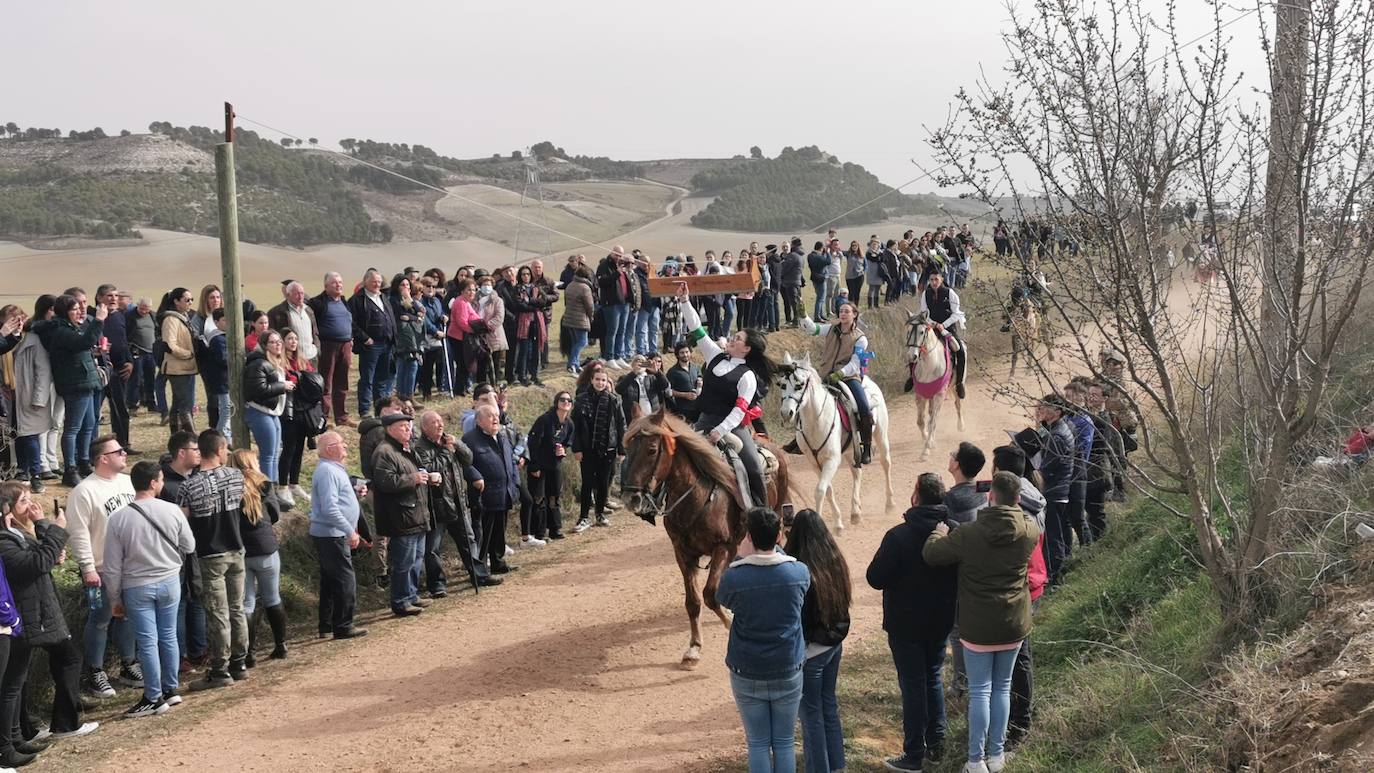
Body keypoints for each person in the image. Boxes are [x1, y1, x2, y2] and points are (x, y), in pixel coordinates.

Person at [923, 472, 1040, 773]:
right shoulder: (1029, 531)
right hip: (1014, 622)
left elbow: (932, 554)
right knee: (1002, 688)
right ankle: (997, 756)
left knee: (980, 691)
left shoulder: (968, 534)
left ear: (990, 497)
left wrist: (938, 532)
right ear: (1017, 499)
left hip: (977, 624)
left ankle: (975, 760)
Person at [867, 472, 960, 771]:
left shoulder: (898, 536)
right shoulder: (955, 530)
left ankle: (913, 755)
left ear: (916, 496)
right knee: (932, 677)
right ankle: (938, 744)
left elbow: (875, 578)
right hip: (941, 620)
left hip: (905, 624)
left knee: (912, 685)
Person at [0, 485, 98, 752]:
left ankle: (23, 734)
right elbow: (37, 563)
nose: (31, 506)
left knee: (18, 678)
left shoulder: (16, 533)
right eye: (24, 502)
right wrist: (53, 528)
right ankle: (50, 728)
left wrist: (44, 530)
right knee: (57, 662)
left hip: (36, 612)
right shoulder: (5, 539)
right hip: (27, 615)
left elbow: (41, 557)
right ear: (7, 509)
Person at [717, 506, 811, 773]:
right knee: (784, 742)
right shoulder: (799, 573)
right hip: (788, 667)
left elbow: (722, 599)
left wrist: (741, 556)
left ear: (747, 536)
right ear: (780, 535)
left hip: (747, 670)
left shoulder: (735, 577)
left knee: (757, 742)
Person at [103, 461, 195, 719]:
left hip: (136, 586)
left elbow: (112, 565)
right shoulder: (172, 510)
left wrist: (114, 597)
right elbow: (188, 545)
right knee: (168, 636)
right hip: (169, 580)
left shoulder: (118, 518)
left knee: (147, 641)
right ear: (154, 482)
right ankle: (170, 688)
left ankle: (152, 696)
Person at [674, 283, 771, 507]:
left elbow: (740, 411)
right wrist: (685, 301)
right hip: (704, 421)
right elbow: (698, 329)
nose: (732, 339)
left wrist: (720, 431)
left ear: (746, 349)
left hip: (733, 427)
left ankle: (763, 513)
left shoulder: (747, 376)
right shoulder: (715, 355)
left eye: (737, 338)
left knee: (754, 467)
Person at [65, 435, 139, 698]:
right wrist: (87, 568)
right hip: (102, 567)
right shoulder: (84, 491)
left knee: (127, 614)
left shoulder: (128, 481)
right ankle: (95, 672)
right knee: (100, 619)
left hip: (130, 564)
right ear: (102, 458)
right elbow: (78, 533)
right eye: (118, 451)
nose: (124, 454)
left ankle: (129, 664)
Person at [177, 430, 249, 689]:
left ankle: (220, 668)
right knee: (237, 608)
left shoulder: (189, 486)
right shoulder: (236, 476)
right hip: (236, 549)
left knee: (218, 613)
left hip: (209, 553)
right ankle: (239, 662)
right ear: (219, 450)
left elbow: (182, 521)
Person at [989, 444, 1047, 751]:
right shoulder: (1032, 495)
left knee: (1019, 657)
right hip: (1031, 581)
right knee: (1019, 655)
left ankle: (1020, 723)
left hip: (1020, 584)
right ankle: (1018, 717)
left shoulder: (1018, 507)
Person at [784, 509, 851, 773]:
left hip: (812, 653)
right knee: (828, 707)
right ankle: (837, 766)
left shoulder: (798, 570)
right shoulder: (834, 559)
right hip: (834, 646)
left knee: (811, 716)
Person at [31, 293, 107, 486]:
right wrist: (98, 320)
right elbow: (83, 343)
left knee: (89, 424)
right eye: (74, 309)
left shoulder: (69, 327)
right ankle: (70, 469)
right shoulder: (60, 331)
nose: (79, 311)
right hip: (75, 384)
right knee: (73, 428)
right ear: (65, 312)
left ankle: (83, 463)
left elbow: (82, 345)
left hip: (85, 381)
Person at [414, 411, 495, 590]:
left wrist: (457, 444)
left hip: (458, 500)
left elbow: (468, 458)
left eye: (441, 421)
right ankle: (437, 585)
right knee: (433, 548)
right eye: (434, 422)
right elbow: (429, 469)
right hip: (436, 505)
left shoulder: (448, 441)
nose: (440, 425)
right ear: (424, 427)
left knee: (469, 540)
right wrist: (446, 451)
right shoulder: (420, 447)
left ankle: (479, 575)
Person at [227, 450, 286, 667]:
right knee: (272, 597)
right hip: (266, 547)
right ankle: (281, 645)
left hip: (241, 550)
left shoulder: (230, 487)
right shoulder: (265, 484)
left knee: (246, 604)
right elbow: (276, 514)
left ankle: (248, 653)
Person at [370, 413, 432, 617]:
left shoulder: (406, 449)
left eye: (409, 426)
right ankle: (400, 601)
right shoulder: (384, 452)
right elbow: (385, 482)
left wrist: (425, 477)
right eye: (403, 426)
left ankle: (411, 595)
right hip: (400, 516)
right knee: (403, 562)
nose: (409, 429)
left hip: (415, 513)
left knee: (416, 558)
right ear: (390, 429)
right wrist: (412, 478)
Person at [798, 301, 875, 464]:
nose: (843, 314)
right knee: (803, 399)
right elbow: (813, 329)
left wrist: (840, 373)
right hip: (825, 374)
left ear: (854, 314)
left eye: (847, 311)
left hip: (848, 377)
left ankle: (866, 446)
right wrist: (803, 315)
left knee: (862, 405)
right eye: (841, 311)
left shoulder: (861, 338)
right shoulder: (831, 329)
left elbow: (856, 363)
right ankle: (800, 439)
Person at [308, 432, 368, 639]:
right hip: (331, 534)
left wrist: (353, 493)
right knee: (344, 579)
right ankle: (343, 624)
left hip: (333, 532)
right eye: (341, 443)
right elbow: (329, 508)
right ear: (330, 449)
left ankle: (326, 625)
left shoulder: (332, 469)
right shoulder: (327, 471)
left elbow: (337, 501)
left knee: (330, 580)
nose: (345, 447)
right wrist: (350, 530)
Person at [159, 431, 207, 670]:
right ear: (181, 453)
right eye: (195, 449)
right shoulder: (166, 486)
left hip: (197, 551)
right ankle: (178, 657)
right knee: (178, 605)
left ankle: (199, 650)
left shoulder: (197, 477)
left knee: (197, 598)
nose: (199, 453)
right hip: (173, 556)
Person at [464, 404, 520, 574]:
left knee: (500, 531)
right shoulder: (470, 440)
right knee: (484, 534)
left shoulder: (502, 436)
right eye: (490, 416)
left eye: (496, 415)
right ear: (479, 421)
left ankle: (498, 561)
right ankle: (481, 568)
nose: (495, 419)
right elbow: (465, 464)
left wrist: (515, 482)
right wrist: (475, 477)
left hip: (505, 492)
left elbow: (511, 460)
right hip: (485, 496)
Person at [13, 296, 60, 495]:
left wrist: (39, 398)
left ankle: (36, 475)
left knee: (30, 436)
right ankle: (21, 471)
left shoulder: (33, 340)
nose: (15, 322)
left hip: (28, 395)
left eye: (18, 318)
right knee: (17, 435)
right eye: (10, 319)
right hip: (8, 397)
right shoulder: (6, 342)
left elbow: (43, 371)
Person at [570, 370, 626, 532]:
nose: (600, 383)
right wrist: (577, 448)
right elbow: (575, 427)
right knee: (587, 483)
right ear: (592, 380)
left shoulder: (614, 400)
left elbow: (621, 425)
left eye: (603, 380)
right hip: (587, 450)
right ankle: (583, 517)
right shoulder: (581, 400)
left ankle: (600, 514)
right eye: (597, 379)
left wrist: (622, 449)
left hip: (608, 448)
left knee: (603, 483)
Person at [243, 330, 295, 501]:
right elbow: (257, 389)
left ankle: (272, 490)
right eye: (273, 342)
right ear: (265, 345)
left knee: (275, 452)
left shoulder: (274, 362)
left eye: (279, 341)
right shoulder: (258, 363)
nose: (278, 344)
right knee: (268, 454)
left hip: (272, 412)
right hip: (259, 411)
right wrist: (282, 386)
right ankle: (267, 493)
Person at [1033, 395, 1075, 583]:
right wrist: (1038, 423)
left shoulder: (1058, 436)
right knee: (1057, 534)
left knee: (1052, 537)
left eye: (1045, 408)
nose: (1041, 410)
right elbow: (1042, 439)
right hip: (1058, 490)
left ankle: (1054, 575)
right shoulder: (1055, 429)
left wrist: (1033, 475)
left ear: (1057, 412)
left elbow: (1046, 467)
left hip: (1054, 491)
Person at [308, 272, 356, 428]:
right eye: (335, 283)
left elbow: (349, 321)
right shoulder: (318, 303)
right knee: (326, 383)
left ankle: (342, 417)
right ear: (326, 286)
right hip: (328, 346)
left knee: (342, 382)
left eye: (340, 282)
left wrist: (351, 338)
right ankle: (325, 418)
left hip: (346, 345)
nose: (339, 285)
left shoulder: (343, 301)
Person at [349, 269, 398, 418]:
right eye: (374, 282)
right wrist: (364, 338)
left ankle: (380, 408)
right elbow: (351, 322)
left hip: (387, 344)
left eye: (379, 282)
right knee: (367, 379)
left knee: (382, 378)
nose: (377, 284)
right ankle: (364, 410)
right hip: (370, 345)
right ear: (365, 282)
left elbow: (390, 317)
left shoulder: (383, 297)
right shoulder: (357, 300)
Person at [526, 392, 574, 542]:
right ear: (556, 402)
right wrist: (534, 466)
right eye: (562, 399)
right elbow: (532, 443)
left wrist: (563, 450)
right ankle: (538, 533)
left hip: (555, 464)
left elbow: (567, 442)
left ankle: (555, 529)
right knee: (539, 498)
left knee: (554, 497)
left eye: (569, 400)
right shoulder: (545, 420)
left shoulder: (569, 424)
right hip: (539, 464)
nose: (565, 402)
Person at [279, 329, 317, 506]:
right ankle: (283, 486)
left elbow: (312, 379)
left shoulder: (302, 360)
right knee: (288, 449)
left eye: (295, 338)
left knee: (299, 449)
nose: (293, 342)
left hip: (304, 410)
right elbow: (289, 383)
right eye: (289, 339)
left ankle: (294, 483)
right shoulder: (279, 361)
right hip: (289, 410)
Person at [915, 271, 968, 399]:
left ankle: (959, 383)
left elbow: (957, 313)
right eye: (931, 279)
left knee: (960, 350)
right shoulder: (925, 294)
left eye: (936, 279)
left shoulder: (950, 293)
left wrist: (943, 325)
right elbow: (923, 313)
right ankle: (912, 379)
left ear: (942, 279)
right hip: (931, 329)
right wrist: (933, 323)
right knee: (914, 347)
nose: (933, 282)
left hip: (948, 328)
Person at [97, 285, 135, 456]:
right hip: (100, 369)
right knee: (94, 413)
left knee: (121, 409)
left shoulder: (120, 316)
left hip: (120, 369)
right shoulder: (94, 318)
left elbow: (124, 341)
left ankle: (123, 445)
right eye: (108, 295)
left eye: (116, 295)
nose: (113, 299)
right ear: (99, 298)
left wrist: (130, 361)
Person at [157, 288, 199, 437]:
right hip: (177, 368)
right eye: (187, 300)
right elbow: (169, 345)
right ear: (176, 301)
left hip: (185, 368)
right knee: (185, 406)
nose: (190, 303)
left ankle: (177, 437)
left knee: (177, 405)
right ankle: (192, 437)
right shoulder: (171, 320)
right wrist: (188, 354)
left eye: (192, 299)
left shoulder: (183, 317)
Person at [389, 274, 427, 408]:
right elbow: (400, 316)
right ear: (396, 286)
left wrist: (413, 315)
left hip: (414, 338)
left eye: (407, 285)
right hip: (403, 338)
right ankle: (403, 396)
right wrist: (415, 317)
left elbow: (421, 312)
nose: (405, 288)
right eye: (402, 285)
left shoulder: (411, 300)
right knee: (406, 366)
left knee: (412, 366)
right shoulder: (393, 300)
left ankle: (408, 395)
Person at [267, 281, 319, 368]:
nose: (300, 296)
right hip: (291, 359)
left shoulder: (308, 310)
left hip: (311, 357)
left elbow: (315, 332)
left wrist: (317, 348)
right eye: (297, 294)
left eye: (302, 293)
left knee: (314, 381)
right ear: (288, 295)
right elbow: (272, 335)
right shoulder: (276, 313)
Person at [511, 265, 547, 386]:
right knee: (524, 351)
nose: (526, 276)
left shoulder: (536, 287)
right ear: (520, 276)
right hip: (524, 323)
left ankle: (535, 375)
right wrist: (535, 304)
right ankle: (523, 375)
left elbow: (544, 301)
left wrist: (530, 302)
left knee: (536, 350)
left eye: (528, 274)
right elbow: (520, 305)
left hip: (536, 323)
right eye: (523, 274)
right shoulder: (517, 289)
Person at [202, 309, 231, 443]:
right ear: (216, 322)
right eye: (224, 320)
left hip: (225, 379)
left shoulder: (224, 335)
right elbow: (223, 359)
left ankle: (226, 435)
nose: (227, 322)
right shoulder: (217, 339)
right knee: (226, 409)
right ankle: (219, 437)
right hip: (222, 380)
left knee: (228, 408)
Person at [615, 353, 670, 422]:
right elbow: (619, 389)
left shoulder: (652, 378)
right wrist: (633, 373)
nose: (640, 363)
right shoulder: (625, 378)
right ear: (632, 365)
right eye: (637, 360)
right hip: (634, 418)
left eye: (643, 361)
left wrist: (657, 372)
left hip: (652, 416)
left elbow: (665, 385)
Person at [561, 265, 595, 373]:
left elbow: (566, 302)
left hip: (569, 318)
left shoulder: (570, 285)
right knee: (582, 342)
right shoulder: (585, 288)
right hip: (580, 319)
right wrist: (591, 316)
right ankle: (571, 364)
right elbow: (590, 306)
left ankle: (576, 364)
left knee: (575, 342)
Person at [946, 441, 987, 524]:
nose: (950, 456)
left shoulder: (951, 498)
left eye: (953, 455)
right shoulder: (983, 488)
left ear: (956, 465)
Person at [665, 341, 701, 422]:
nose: (685, 355)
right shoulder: (672, 372)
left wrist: (700, 383)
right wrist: (685, 395)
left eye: (687, 352)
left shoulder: (696, 367)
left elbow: (700, 378)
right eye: (682, 353)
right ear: (677, 355)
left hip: (697, 407)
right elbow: (668, 391)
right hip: (682, 409)